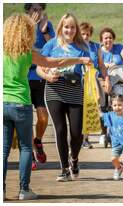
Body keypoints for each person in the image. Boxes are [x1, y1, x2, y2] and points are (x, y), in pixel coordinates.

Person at [3, 14, 91, 200]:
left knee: (3, 150)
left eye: (72, 27)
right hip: (24, 102)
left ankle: (2, 190)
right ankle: (26, 188)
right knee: (28, 147)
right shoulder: (28, 53)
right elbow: (52, 63)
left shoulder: (3, 51)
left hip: (4, 103)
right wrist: (78, 61)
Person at [36, 13, 91, 182]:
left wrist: (89, 69)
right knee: (60, 130)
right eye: (66, 27)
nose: (69, 30)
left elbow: (89, 69)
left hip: (75, 91)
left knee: (76, 134)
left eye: (72, 27)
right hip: (54, 91)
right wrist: (46, 76)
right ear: (61, 27)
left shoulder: (82, 47)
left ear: (76, 29)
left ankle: (74, 158)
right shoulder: (52, 44)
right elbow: (39, 67)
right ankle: (64, 169)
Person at [24, 3, 55, 170]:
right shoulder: (21, 24)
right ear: (27, 10)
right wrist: (30, 26)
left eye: (40, 9)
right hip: (24, 78)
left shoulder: (47, 25)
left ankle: (38, 141)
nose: (37, 12)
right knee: (26, 118)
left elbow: (54, 47)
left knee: (43, 117)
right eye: (34, 9)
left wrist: (44, 31)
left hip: (42, 76)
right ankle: (30, 157)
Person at [79, 22, 111, 149]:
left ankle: (86, 138)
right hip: (79, 79)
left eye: (88, 34)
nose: (86, 37)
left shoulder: (96, 47)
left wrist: (107, 78)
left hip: (93, 79)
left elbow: (102, 65)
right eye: (83, 34)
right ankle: (80, 138)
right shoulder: (75, 46)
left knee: (91, 106)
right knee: (80, 109)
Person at [101, 94, 123, 184]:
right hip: (116, 143)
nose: (117, 107)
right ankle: (118, 168)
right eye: (115, 105)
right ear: (112, 106)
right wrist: (94, 105)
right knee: (113, 159)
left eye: (120, 105)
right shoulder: (110, 116)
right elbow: (101, 115)